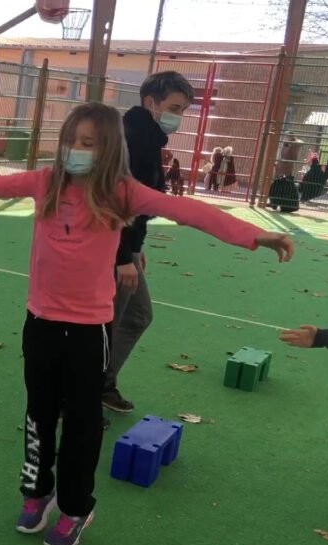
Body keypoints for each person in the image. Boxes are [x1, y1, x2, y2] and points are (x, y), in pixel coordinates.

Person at [0, 102, 293, 545]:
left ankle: (76, 507)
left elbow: (188, 211)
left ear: (108, 149)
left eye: (88, 144)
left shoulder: (123, 192)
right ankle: (36, 493)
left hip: (87, 331)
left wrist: (255, 236)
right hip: (39, 322)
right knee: (38, 414)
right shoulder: (46, 182)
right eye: (70, 141)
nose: (75, 150)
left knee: (81, 422)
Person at [103, 71, 194, 418]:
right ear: (150, 103)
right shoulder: (135, 138)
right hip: (112, 249)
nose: (178, 116)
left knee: (137, 315)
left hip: (125, 247)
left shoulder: (148, 136)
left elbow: (141, 206)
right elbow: (120, 203)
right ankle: (79, 395)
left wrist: (135, 250)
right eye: (173, 107)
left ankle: (102, 384)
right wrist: (125, 256)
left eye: (183, 109)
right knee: (104, 326)